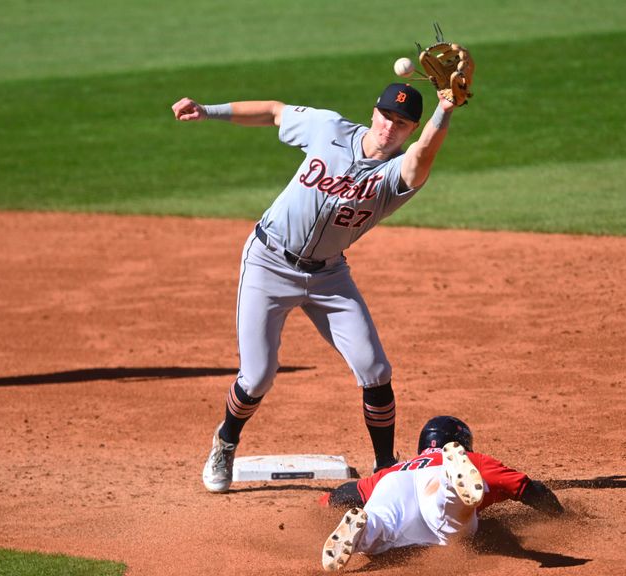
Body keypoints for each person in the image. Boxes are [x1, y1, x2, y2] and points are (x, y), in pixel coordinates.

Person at [171, 82, 460, 493]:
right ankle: (226, 440)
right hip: (268, 262)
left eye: (401, 123)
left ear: (412, 129)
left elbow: (424, 154)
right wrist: (208, 109)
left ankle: (384, 468)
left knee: (375, 369)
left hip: (329, 277)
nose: (389, 127)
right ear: (373, 111)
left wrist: (445, 110)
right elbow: (274, 110)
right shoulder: (328, 128)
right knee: (257, 377)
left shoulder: (398, 172)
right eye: (385, 116)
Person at [320, 416, 564, 571]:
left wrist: (326, 502)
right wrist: (561, 515)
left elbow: (347, 493)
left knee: (379, 524)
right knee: (450, 516)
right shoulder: (473, 459)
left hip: (393, 484)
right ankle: (451, 484)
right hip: (435, 480)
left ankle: (365, 528)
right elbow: (528, 488)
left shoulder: (397, 468)